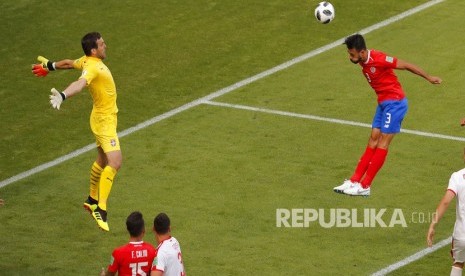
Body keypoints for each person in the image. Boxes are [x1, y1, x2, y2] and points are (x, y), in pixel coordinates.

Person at [32, 32, 122, 231]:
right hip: (104, 121)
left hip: (104, 119)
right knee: (115, 162)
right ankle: (101, 208)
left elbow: (68, 63)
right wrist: (63, 95)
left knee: (102, 159)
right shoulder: (92, 67)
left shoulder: (86, 61)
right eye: (101, 44)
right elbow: (80, 84)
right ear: (93, 50)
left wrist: (50, 66)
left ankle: (91, 199)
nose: (105, 45)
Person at [333, 33, 442, 196]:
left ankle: (365, 186)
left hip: (395, 103)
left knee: (383, 142)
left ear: (362, 52)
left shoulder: (379, 58)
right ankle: (354, 180)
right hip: (383, 103)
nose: (350, 57)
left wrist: (428, 77)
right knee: (373, 138)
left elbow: (405, 65)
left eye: (352, 54)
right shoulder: (362, 60)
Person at [427, 150, 465, 276]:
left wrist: (433, 225)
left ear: (464, 156)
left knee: (458, 264)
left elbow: (446, 202)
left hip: (461, 234)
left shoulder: (458, 176)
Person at [101, 211, 156, 276]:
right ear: (143, 230)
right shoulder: (152, 250)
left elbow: (109, 274)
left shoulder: (118, 252)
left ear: (128, 229)